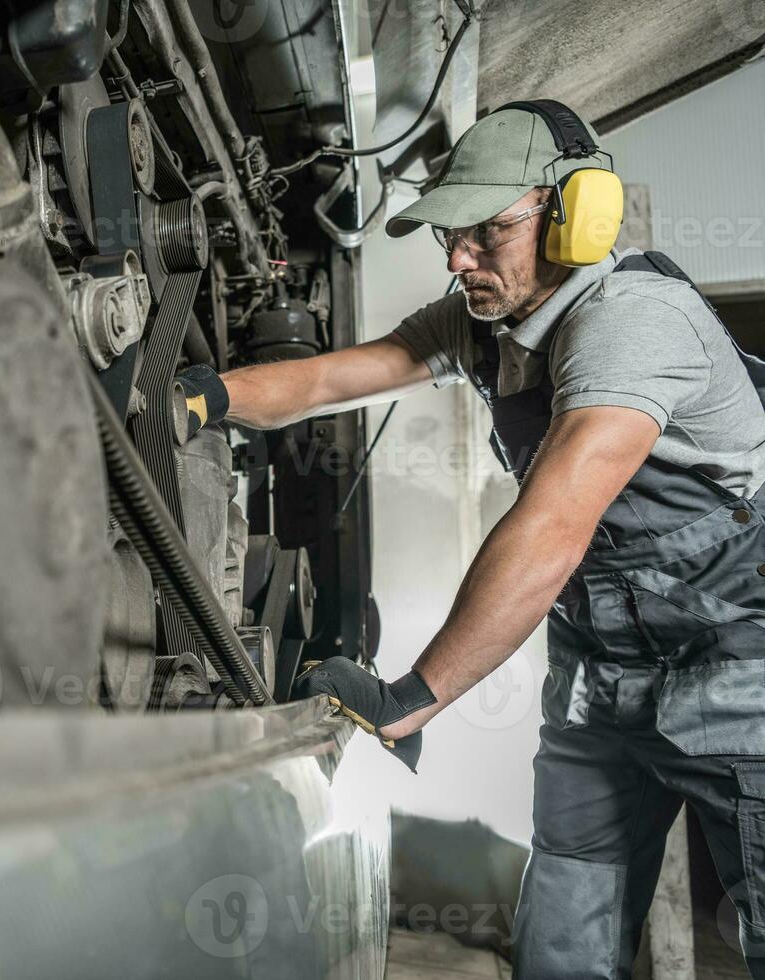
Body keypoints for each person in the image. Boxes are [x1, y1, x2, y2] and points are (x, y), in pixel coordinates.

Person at [176, 100, 765, 978]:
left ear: (576, 215)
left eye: (488, 231)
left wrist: (416, 694)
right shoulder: (478, 325)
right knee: (560, 950)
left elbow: (554, 527)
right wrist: (197, 398)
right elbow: (332, 377)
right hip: (598, 685)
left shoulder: (632, 321)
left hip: (737, 672)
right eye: (451, 234)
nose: (459, 258)